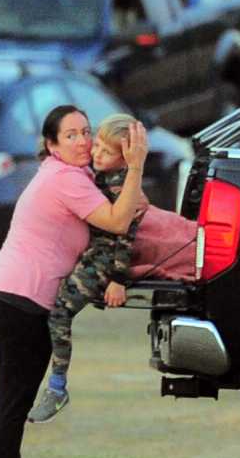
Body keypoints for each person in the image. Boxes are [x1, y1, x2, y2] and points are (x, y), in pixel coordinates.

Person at [0, 106, 146, 458]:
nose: (83, 141)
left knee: (7, 398)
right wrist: (137, 165)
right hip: (21, 297)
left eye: (86, 132)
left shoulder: (72, 175)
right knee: (15, 398)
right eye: (70, 135)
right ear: (51, 145)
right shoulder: (66, 179)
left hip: (6, 291)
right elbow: (118, 221)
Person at [29, 114, 200, 423]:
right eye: (97, 147)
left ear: (125, 159)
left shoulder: (125, 188)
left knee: (58, 313)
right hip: (91, 252)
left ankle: (57, 385)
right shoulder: (100, 174)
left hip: (104, 261)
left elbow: (124, 240)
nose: (96, 155)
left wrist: (117, 280)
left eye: (106, 153)